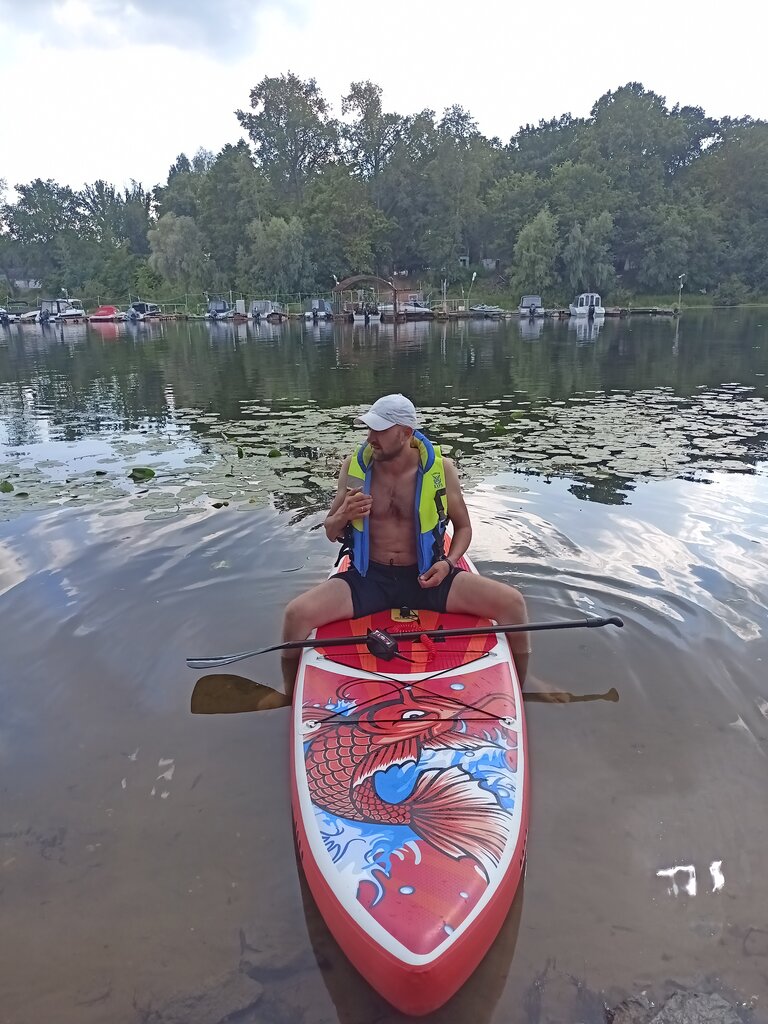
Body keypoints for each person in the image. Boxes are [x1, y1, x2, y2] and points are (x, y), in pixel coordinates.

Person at [281, 394, 531, 690]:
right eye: (369, 429)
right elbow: (331, 530)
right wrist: (344, 514)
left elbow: (463, 528)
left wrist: (448, 563)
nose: (370, 438)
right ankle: (288, 690)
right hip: (369, 579)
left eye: (380, 430)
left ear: (406, 433)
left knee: (512, 604)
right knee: (296, 615)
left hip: (427, 578)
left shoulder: (441, 470)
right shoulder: (355, 467)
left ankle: (522, 682)